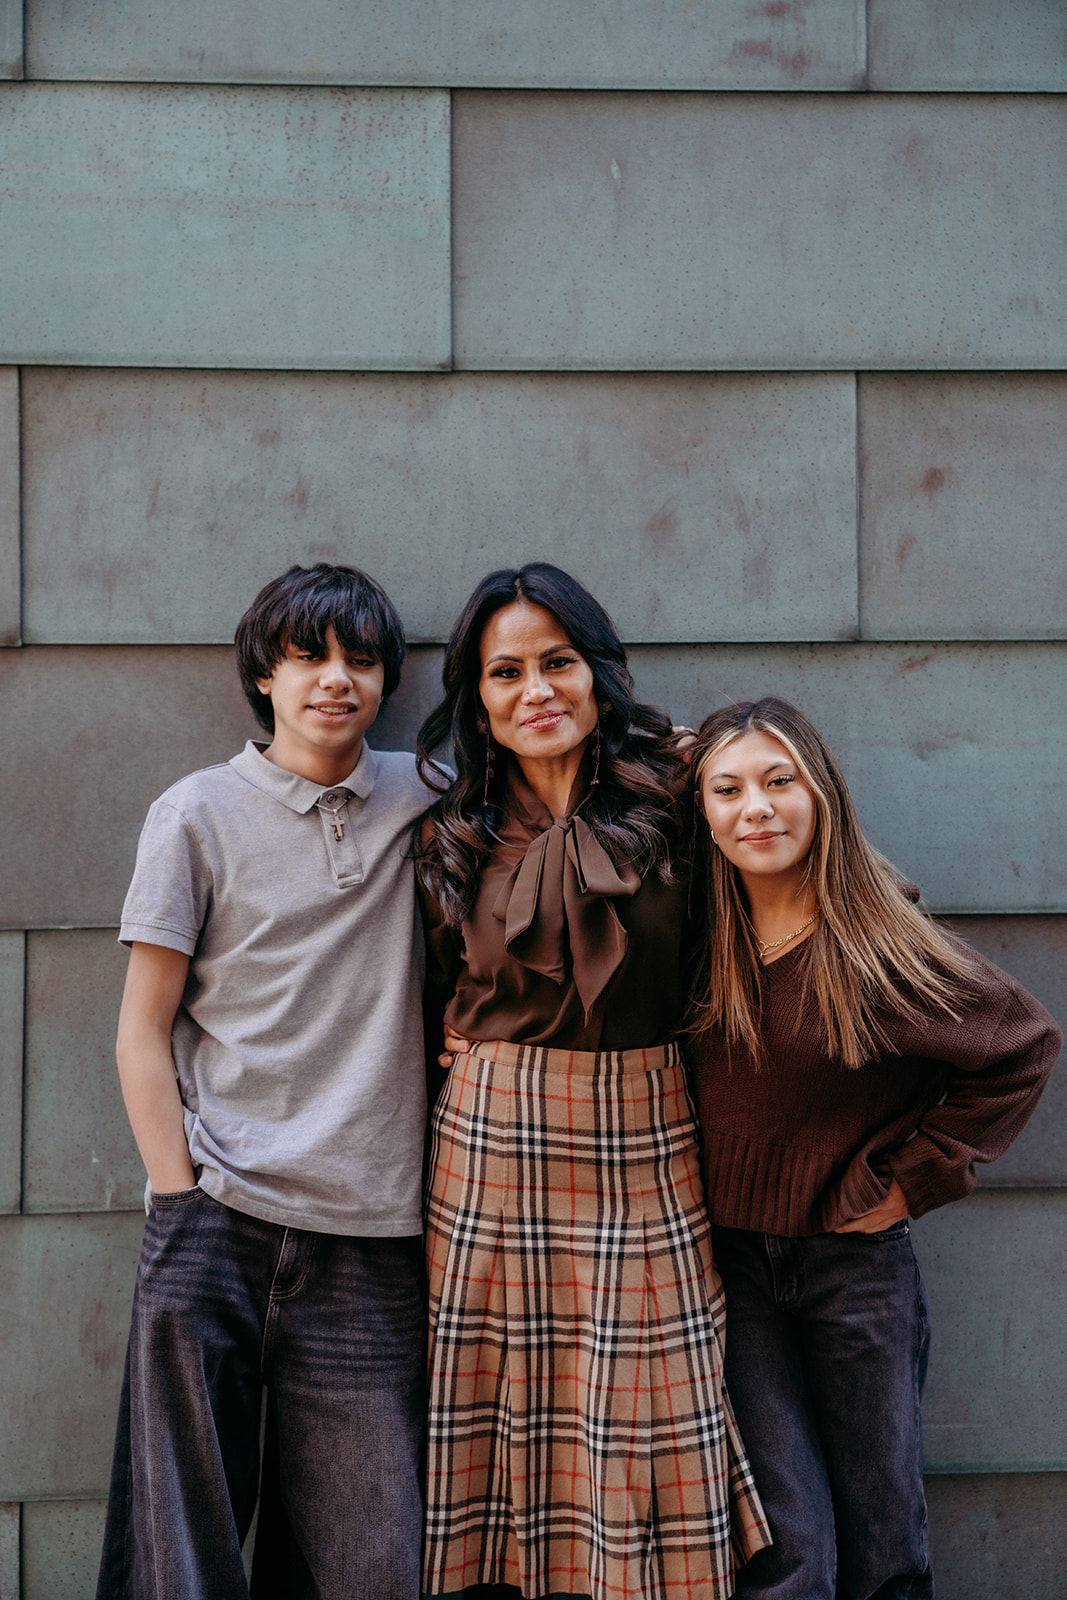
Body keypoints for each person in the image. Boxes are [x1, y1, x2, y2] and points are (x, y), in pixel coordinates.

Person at [414, 562, 770, 1600]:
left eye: (557, 662)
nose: (536, 690)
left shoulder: (679, 796)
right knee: (501, 1421)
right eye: (506, 671)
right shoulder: (451, 833)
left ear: (597, 670)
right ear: (476, 697)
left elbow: (791, 895)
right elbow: (431, 990)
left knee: (654, 1419)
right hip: (484, 1156)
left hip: (646, 1141)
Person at [96, 564, 434, 1600]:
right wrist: (180, 1195)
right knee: (180, 1554)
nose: (337, 678)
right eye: (309, 655)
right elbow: (140, 1030)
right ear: (264, 672)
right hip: (218, 1222)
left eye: (361, 658)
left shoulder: (431, 798)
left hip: (372, 1243)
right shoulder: (195, 812)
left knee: (373, 1562)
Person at [686, 695, 1061, 1600]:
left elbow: (1022, 1044)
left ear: (821, 794)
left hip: (854, 1269)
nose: (757, 808)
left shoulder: (876, 946)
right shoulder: (699, 939)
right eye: (726, 789)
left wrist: (919, 1177)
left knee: (883, 1534)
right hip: (726, 1267)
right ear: (699, 811)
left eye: (781, 781)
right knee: (787, 1544)